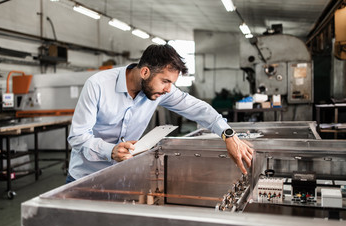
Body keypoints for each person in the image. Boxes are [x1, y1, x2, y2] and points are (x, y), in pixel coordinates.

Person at [66, 44, 253, 183]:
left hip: (122, 174)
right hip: (85, 176)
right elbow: (78, 137)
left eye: (171, 83)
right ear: (145, 72)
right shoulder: (97, 85)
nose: (168, 89)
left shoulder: (161, 92)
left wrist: (228, 135)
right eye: (165, 81)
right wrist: (110, 151)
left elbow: (199, 109)